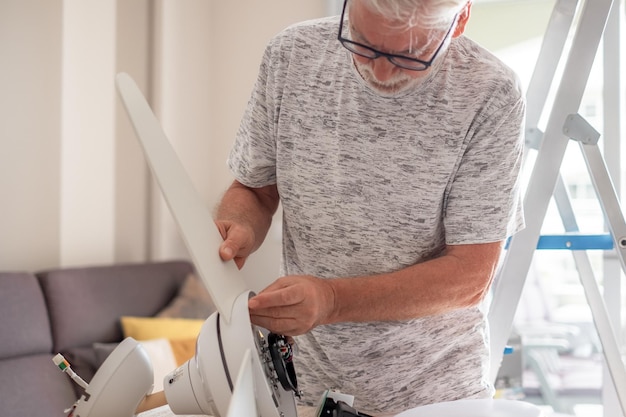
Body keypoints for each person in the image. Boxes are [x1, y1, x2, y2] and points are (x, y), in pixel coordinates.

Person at [215, 0, 525, 415]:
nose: (379, 73)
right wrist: (240, 226)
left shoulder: (490, 92)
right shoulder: (291, 54)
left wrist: (331, 300)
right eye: (361, 43)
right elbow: (255, 189)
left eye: (407, 55)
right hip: (305, 388)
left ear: (460, 21)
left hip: (434, 394)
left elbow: (470, 275)